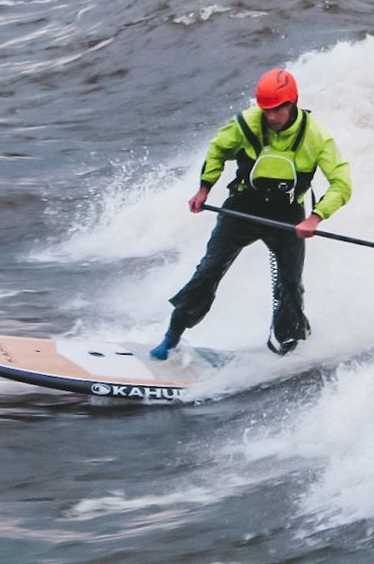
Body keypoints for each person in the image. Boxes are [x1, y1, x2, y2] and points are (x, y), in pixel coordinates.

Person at [151, 68, 352, 359]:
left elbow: (342, 182)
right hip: (243, 208)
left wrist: (316, 217)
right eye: (266, 110)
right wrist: (204, 188)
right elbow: (218, 149)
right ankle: (172, 336)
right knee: (208, 272)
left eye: (277, 110)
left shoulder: (315, 136)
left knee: (290, 287)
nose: (271, 117)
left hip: (287, 215)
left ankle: (288, 350)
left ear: (292, 102)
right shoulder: (247, 123)